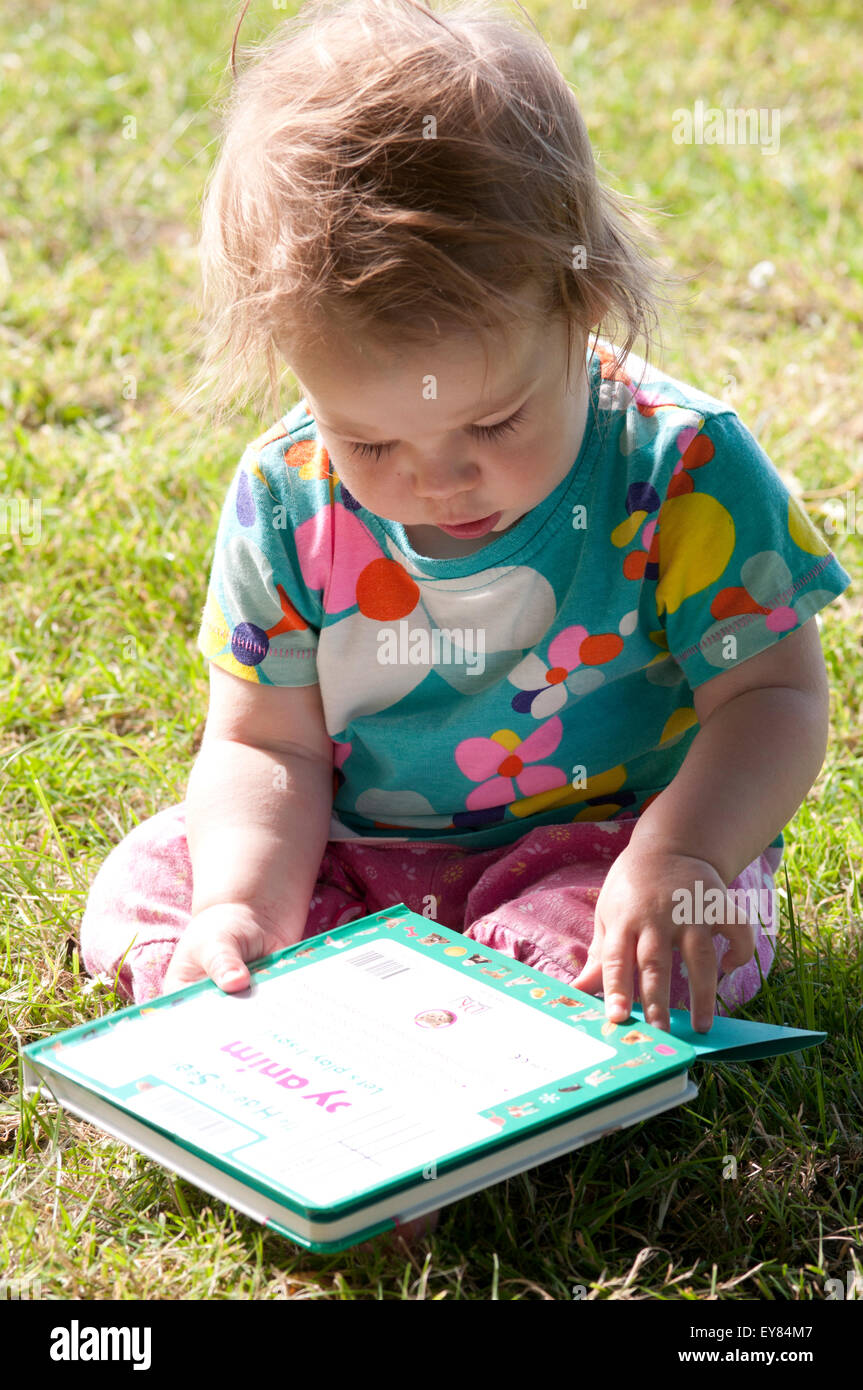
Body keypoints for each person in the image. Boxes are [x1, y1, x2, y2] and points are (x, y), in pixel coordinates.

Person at [79, 0, 850, 1240]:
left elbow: (768, 702)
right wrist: (243, 902)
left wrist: (683, 857)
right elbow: (263, 747)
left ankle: (468, 1104)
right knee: (164, 883)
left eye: (490, 424)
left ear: (582, 304)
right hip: (355, 847)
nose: (436, 479)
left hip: (592, 850)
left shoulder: (678, 469)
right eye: (370, 437)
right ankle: (315, 1030)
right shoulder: (287, 495)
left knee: (640, 948)